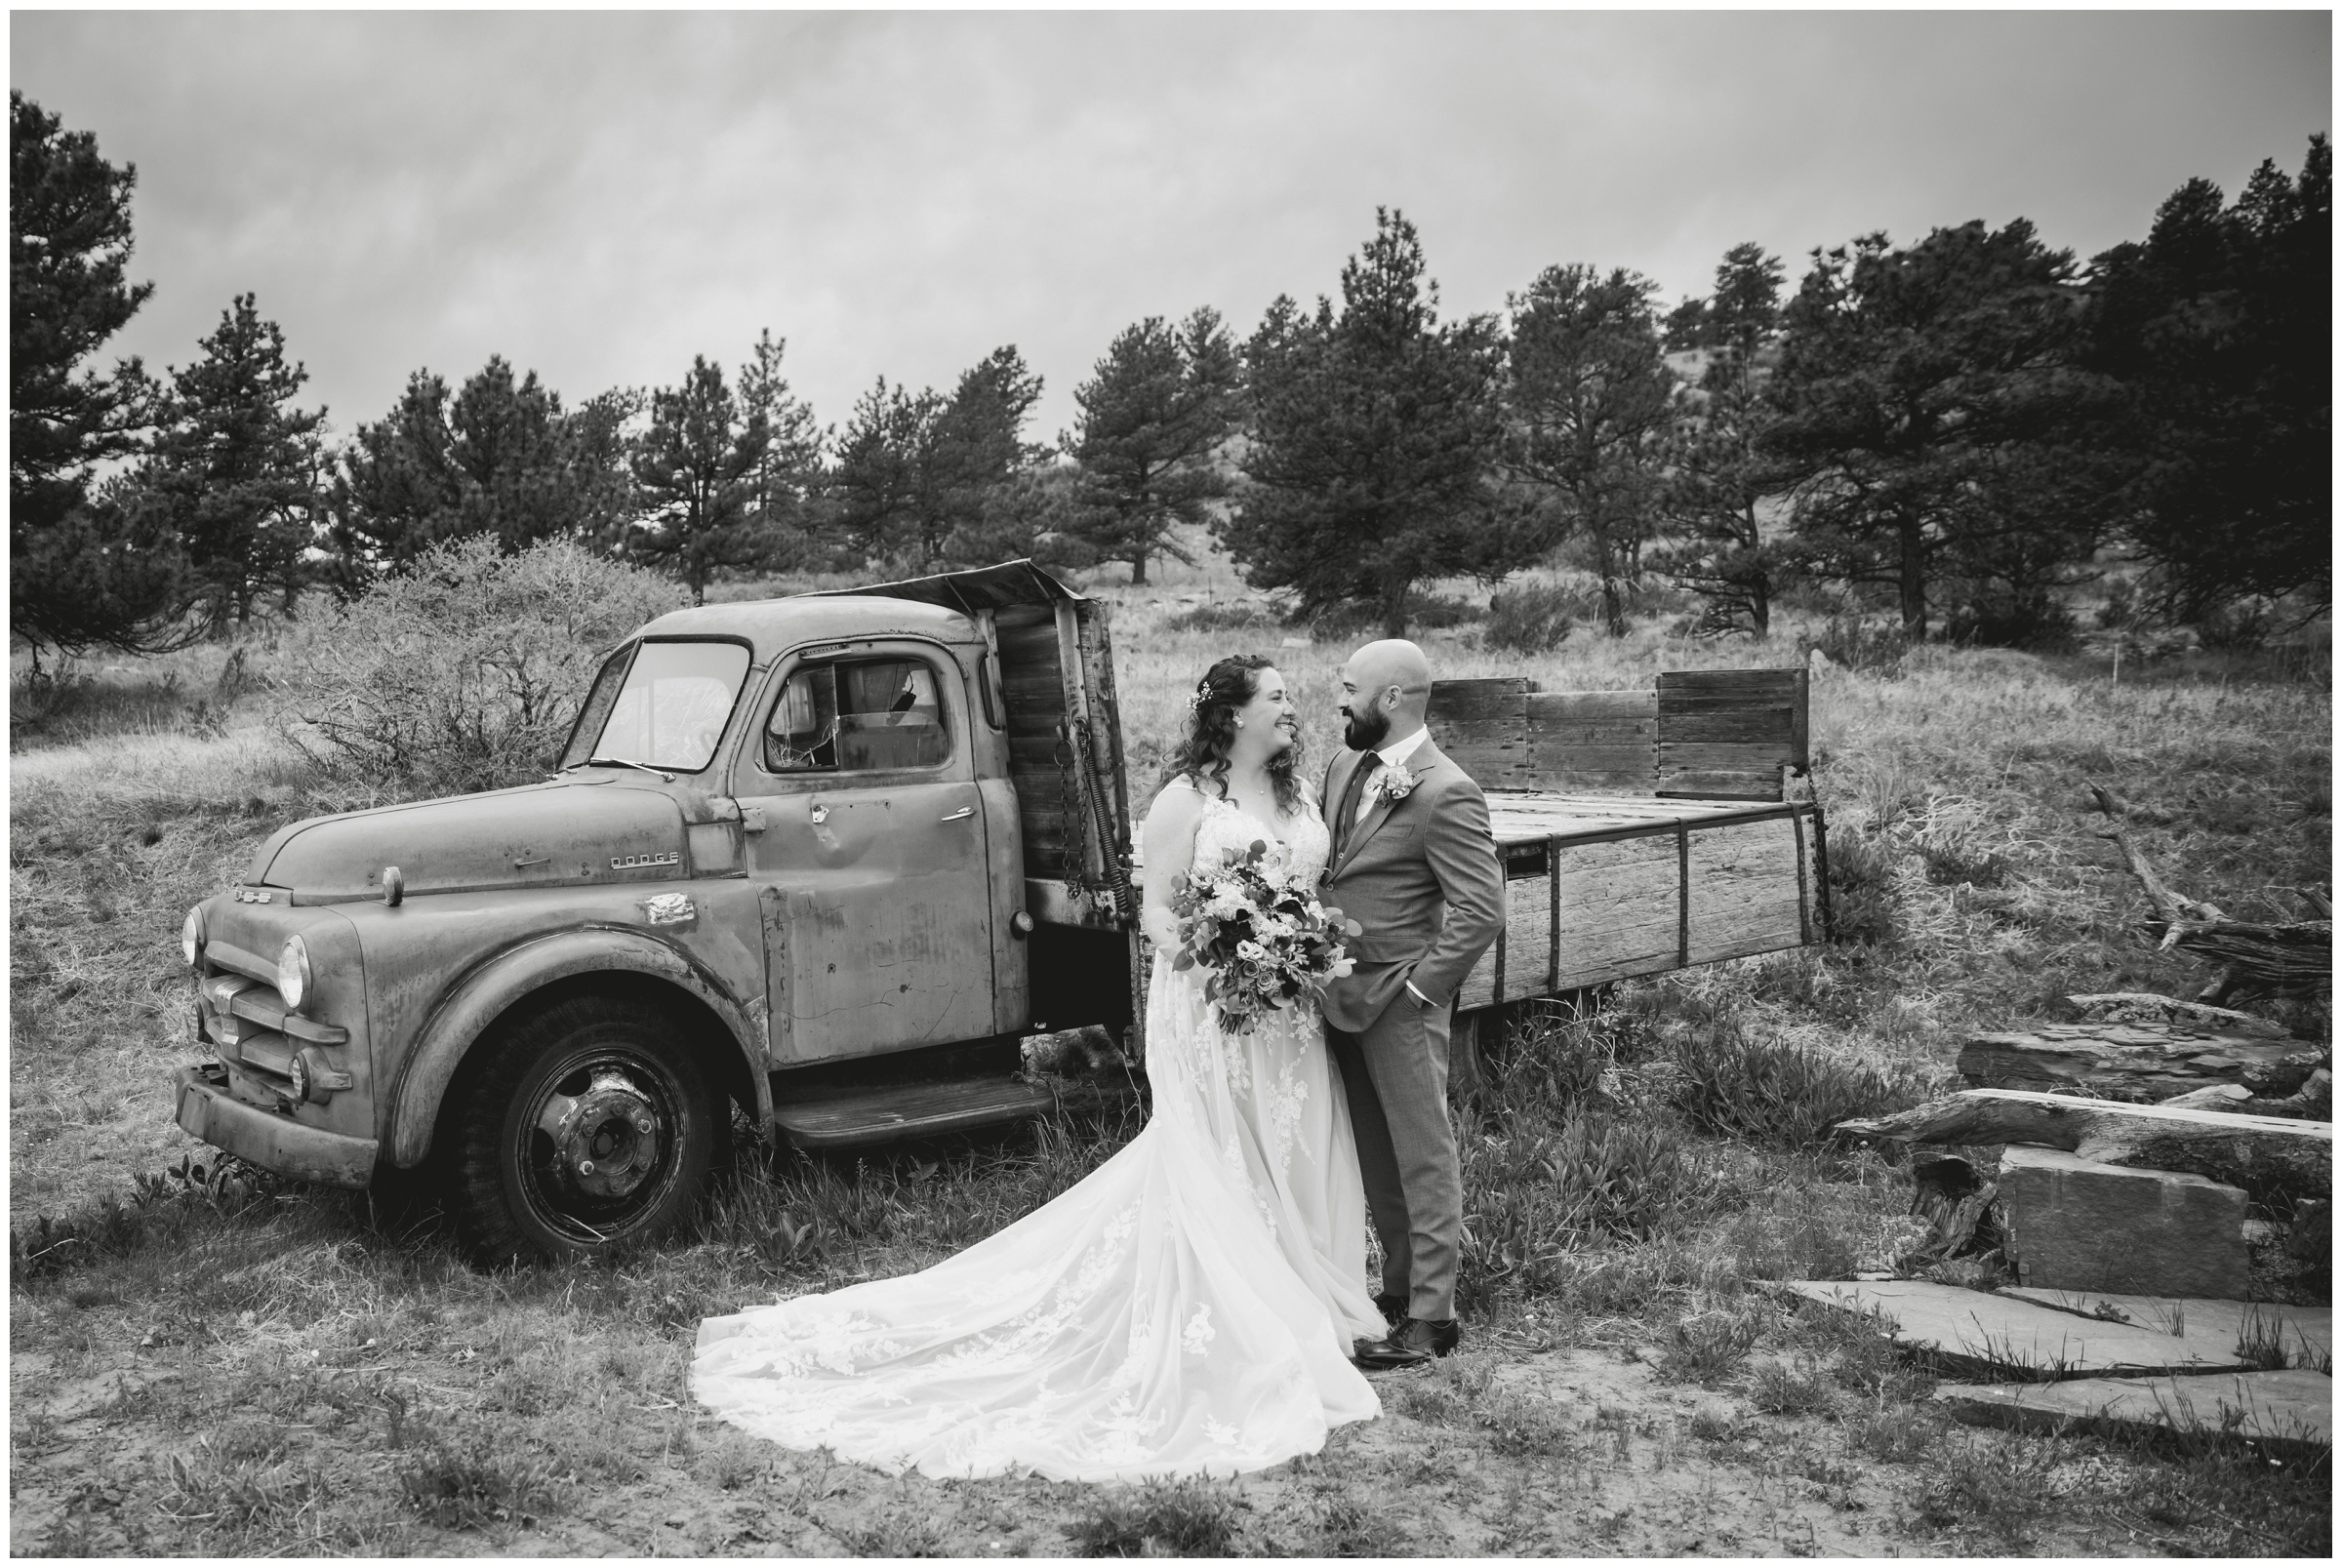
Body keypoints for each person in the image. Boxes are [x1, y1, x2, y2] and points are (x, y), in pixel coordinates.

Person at [692, 655, 1384, 1481]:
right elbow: (1157, 909)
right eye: (1276, 697)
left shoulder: (1302, 797)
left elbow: (1308, 886)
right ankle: (1248, 1309)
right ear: (1231, 715)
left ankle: (1306, 1291)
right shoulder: (1186, 802)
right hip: (1210, 1008)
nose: (1292, 708)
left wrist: (1292, 952)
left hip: (1288, 1017)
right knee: (1221, 1155)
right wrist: (1225, 961)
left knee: (1297, 1140)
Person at [1320, 639, 1505, 1368]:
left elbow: (1480, 909)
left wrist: (1424, 989)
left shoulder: (1446, 789)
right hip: (1341, 996)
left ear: (1391, 698)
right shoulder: (1343, 766)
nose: (1340, 698)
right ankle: (1396, 1291)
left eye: (1349, 686)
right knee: (1375, 1154)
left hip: (1401, 999)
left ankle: (1434, 1317)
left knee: (1424, 1155)